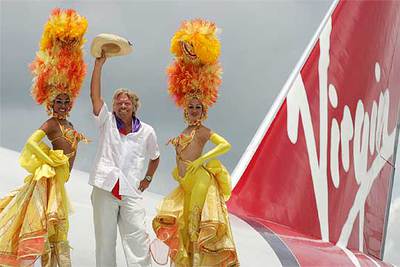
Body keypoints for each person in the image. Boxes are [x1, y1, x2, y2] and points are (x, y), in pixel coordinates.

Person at [0, 8, 88, 267]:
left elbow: (68, 141)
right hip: (49, 181)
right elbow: (30, 143)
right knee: (51, 226)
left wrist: (75, 139)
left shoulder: (68, 123)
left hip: (61, 182)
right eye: (58, 101)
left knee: (57, 229)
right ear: (51, 103)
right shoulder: (50, 123)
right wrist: (50, 159)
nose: (62, 104)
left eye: (65, 100)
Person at [152, 19, 239, 266]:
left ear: (203, 111)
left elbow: (225, 145)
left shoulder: (202, 131)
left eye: (197, 108)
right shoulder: (185, 131)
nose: (193, 110)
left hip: (199, 178)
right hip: (185, 182)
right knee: (183, 227)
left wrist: (201, 161)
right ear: (185, 110)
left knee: (194, 224)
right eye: (190, 107)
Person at [89, 50, 160, 267]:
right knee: (105, 242)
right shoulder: (106, 122)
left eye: (126, 103)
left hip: (130, 190)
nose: (122, 106)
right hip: (105, 186)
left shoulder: (147, 131)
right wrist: (99, 65)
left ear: (134, 106)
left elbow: (155, 157)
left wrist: (147, 179)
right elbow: (95, 97)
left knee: (138, 238)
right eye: (118, 103)